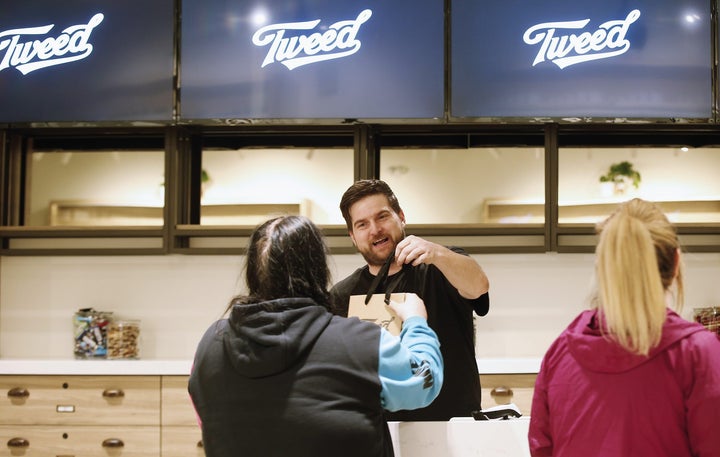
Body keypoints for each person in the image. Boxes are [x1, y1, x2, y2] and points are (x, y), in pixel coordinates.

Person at [188, 215, 443, 457]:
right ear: (317, 270)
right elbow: (423, 381)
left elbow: (206, 415)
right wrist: (416, 322)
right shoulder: (360, 343)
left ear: (253, 273)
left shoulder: (210, 345)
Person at [528, 198, 720, 457]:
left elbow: (542, 448)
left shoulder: (561, 351)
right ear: (676, 263)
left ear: (603, 267)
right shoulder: (698, 354)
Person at [331, 179, 490, 421]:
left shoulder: (440, 269)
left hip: (453, 428)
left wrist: (436, 254)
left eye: (382, 216)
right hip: (380, 432)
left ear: (401, 217)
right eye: (362, 224)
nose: (375, 229)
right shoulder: (342, 296)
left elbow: (479, 286)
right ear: (353, 236)